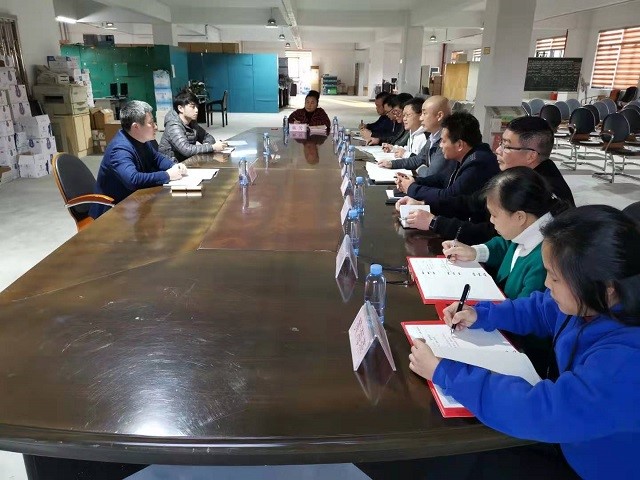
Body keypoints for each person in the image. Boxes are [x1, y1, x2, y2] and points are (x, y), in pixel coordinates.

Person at [408, 204, 640, 479]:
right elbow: (541, 309)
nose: (547, 284)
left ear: (606, 289)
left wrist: (446, 372)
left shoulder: (627, 360)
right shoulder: (590, 302)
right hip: (568, 436)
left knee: (458, 462)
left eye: (555, 277)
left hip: (589, 464)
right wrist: (482, 314)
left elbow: (544, 411)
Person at [401, 116, 575, 242]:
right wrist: (425, 203)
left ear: (531, 155)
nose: (497, 150)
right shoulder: (516, 173)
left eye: (506, 146)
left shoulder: (542, 192)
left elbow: (492, 233)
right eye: (500, 143)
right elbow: (472, 201)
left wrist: (435, 222)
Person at [443, 167, 570, 300]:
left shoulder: (546, 259)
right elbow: (506, 245)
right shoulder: (529, 230)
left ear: (519, 217)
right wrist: (474, 252)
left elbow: (524, 309)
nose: (491, 220)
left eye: (494, 215)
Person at [90, 100, 185, 219]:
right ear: (136, 127)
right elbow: (133, 180)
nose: (155, 127)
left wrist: (174, 166)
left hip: (134, 202)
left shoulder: (140, 139)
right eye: (151, 123)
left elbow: (157, 158)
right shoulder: (119, 149)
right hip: (113, 212)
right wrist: (167, 175)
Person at [395, 111, 499, 212]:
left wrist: (412, 188)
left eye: (443, 141)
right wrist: (414, 181)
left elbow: (450, 196)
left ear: (459, 145)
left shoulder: (478, 163)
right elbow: (442, 179)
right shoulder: (463, 156)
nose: (440, 145)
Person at [378, 95, 455, 180]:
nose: (421, 118)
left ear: (439, 116)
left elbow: (430, 175)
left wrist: (419, 168)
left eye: (424, 113)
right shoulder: (433, 137)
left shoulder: (446, 142)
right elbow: (418, 159)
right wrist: (392, 164)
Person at [158, 91, 227, 162]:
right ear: (180, 108)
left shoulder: (192, 122)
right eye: (192, 107)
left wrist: (207, 146)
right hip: (171, 163)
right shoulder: (173, 126)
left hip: (186, 161)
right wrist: (212, 147)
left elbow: (208, 137)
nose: (196, 110)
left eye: (197, 107)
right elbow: (186, 150)